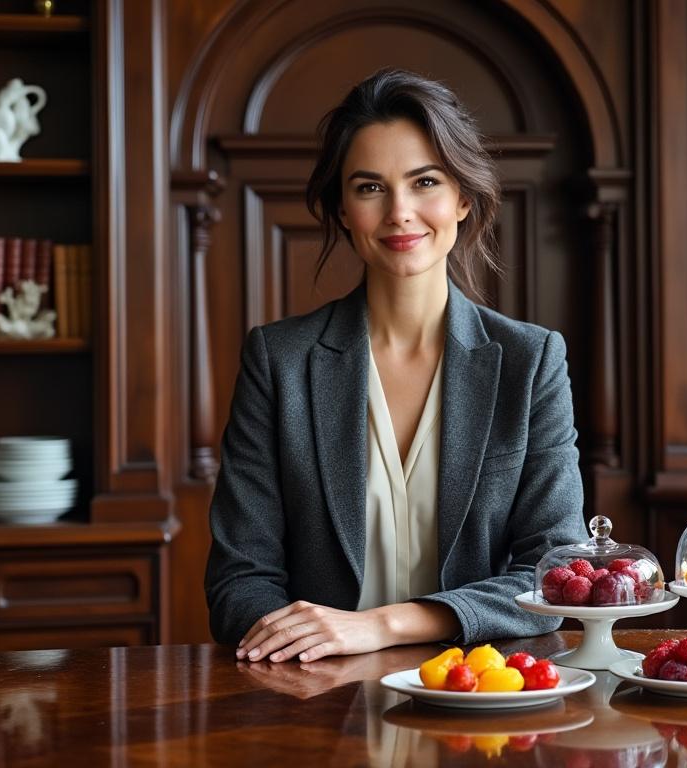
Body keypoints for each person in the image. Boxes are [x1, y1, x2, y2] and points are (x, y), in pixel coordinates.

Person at [206, 69, 585, 664]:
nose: (400, 212)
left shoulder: (530, 361)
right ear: (342, 207)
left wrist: (383, 626)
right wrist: (309, 645)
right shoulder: (278, 361)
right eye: (369, 187)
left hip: (482, 699)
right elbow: (238, 581)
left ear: (463, 198)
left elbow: (556, 576)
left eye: (425, 181)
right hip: (318, 701)